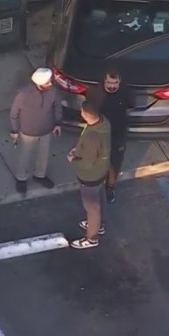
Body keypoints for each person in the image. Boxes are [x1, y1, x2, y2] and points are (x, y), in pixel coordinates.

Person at [9, 67, 62, 194]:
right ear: (39, 84)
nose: (51, 83)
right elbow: (14, 112)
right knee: (24, 156)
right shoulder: (24, 94)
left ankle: (40, 175)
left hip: (46, 129)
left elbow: (57, 106)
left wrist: (58, 123)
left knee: (43, 154)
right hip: (27, 131)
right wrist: (14, 130)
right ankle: (21, 178)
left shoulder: (53, 91)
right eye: (48, 82)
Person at [67, 100, 111, 249]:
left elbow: (88, 163)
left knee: (92, 207)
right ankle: (99, 225)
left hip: (90, 176)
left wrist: (74, 159)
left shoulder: (92, 136)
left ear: (85, 114)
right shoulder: (103, 123)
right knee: (100, 197)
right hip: (101, 171)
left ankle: (92, 237)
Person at [87, 69, 133, 204]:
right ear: (104, 81)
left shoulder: (126, 92)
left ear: (120, 82)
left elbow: (131, 106)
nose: (112, 86)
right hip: (99, 134)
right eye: (109, 82)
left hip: (118, 134)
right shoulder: (95, 92)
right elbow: (89, 110)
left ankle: (110, 188)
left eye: (115, 83)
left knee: (114, 163)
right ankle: (96, 186)